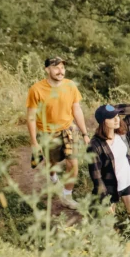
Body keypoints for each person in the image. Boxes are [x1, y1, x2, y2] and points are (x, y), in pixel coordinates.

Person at [26, 56, 89, 209]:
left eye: (62, 67)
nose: (60, 71)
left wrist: (85, 133)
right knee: (52, 162)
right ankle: (53, 176)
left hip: (69, 129)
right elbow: (31, 117)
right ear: (47, 70)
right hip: (48, 133)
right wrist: (34, 142)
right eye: (56, 67)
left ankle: (67, 196)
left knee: (73, 163)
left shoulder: (70, 85)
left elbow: (76, 109)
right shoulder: (36, 89)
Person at [87, 103, 130, 236]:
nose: (117, 119)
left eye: (118, 116)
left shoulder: (122, 131)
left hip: (128, 182)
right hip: (109, 189)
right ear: (103, 122)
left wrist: (113, 108)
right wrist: (105, 200)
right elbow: (96, 177)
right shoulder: (95, 145)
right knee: (107, 229)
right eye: (111, 117)